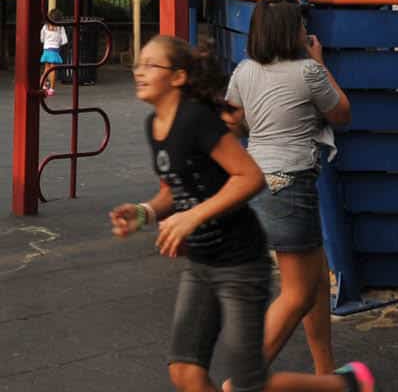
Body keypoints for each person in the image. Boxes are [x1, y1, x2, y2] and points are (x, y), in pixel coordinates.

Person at [110, 32, 372, 391]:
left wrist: (193, 217)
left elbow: (250, 177)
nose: (139, 71)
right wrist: (144, 212)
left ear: (178, 77)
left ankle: (345, 386)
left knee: (248, 385)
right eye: (138, 64)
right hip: (202, 264)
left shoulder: (197, 120)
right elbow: (177, 188)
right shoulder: (154, 126)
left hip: (240, 264)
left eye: (150, 65)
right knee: (184, 371)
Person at [224, 0, 352, 384]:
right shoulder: (307, 73)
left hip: (261, 183)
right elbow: (341, 112)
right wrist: (319, 63)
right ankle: (241, 380)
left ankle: (326, 373)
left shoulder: (243, 71)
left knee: (314, 281)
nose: (303, 30)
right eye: (299, 25)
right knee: (296, 294)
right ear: (289, 32)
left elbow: (230, 123)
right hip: (292, 186)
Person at [39, 7, 68, 96]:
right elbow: (65, 41)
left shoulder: (45, 27)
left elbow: (42, 39)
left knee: (46, 69)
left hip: (46, 50)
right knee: (52, 70)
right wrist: (58, 42)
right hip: (55, 50)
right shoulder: (60, 28)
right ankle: (51, 88)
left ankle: (42, 86)